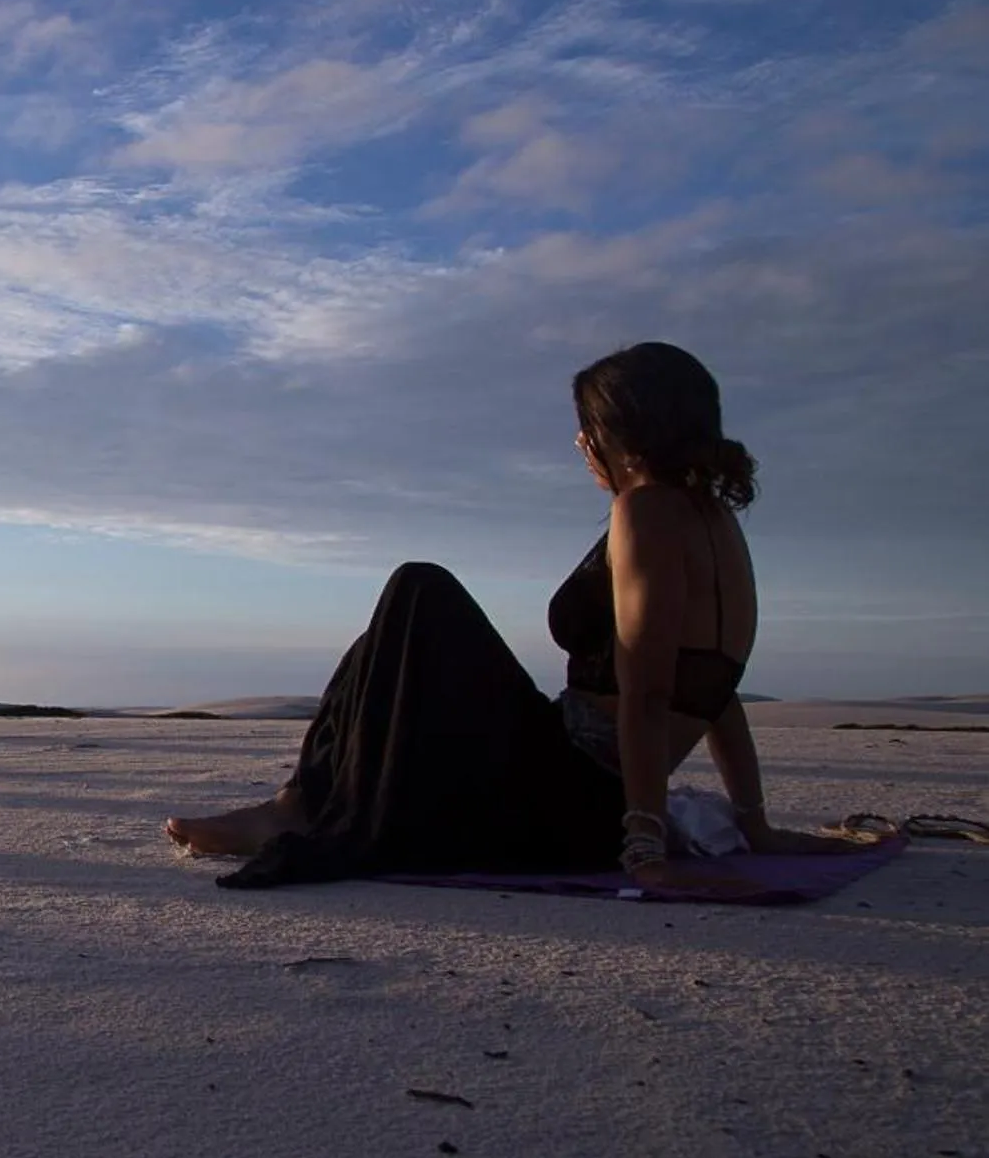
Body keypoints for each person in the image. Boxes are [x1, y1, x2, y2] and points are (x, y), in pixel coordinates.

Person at [165, 342, 863, 893]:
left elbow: (651, 692)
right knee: (385, 639)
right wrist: (754, 824)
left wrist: (644, 847)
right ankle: (295, 802)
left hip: (572, 799)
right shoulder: (713, 523)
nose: (582, 446)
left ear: (621, 433)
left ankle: (297, 809)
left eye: (588, 430)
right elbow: (716, 694)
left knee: (419, 588)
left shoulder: (645, 510)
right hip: (582, 787)